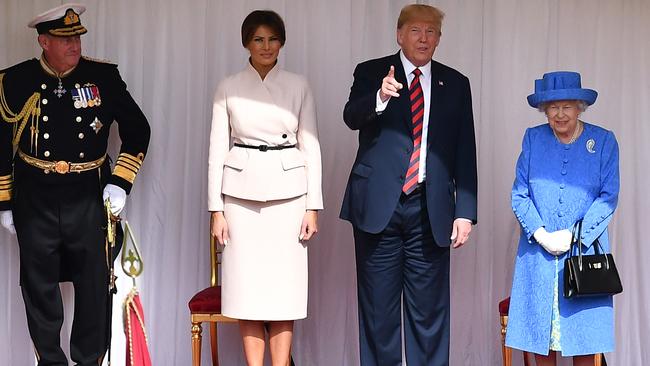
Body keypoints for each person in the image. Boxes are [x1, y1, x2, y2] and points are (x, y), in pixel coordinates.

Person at [0, 4, 151, 365]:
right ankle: (51, 361)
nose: (74, 46)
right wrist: (5, 202)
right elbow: (1, 142)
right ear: (44, 41)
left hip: (88, 197)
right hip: (35, 198)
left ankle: (89, 361)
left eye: (77, 38)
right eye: (65, 39)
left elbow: (138, 130)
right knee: (39, 288)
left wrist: (120, 182)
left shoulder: (103, 78)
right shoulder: (15, 80)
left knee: (94, 287)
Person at [340, 4, 477, 365]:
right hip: (377, 209)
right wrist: (380, 97)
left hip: (429, 210)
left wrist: (464, 212)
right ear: (399, 35)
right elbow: (351, 117)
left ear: (440, 39)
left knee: (429, 316)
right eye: (415, 31)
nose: (423, 38)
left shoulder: (456, 83)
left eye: (431, 32)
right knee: (377, 314)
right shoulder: (371, 72)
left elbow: (465, 150)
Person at [208, 10, 322, 366]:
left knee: (284, 291)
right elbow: (216, 150)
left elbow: (311, 145)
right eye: (258, 39)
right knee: (247, 290)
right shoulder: (228, 86)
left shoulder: (298, 84)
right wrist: (216, 208)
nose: (266, 46)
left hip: (290, 198)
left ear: (282, 43)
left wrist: (312, 206)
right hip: (240, 199)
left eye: (273, 39)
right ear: (246, 43)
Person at [506, 71, 619, 366]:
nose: (559, 115)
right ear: (545, 110)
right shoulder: (533, 138)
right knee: (543, 344)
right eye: (552, 108)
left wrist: (574, 235)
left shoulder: (603, 141)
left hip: (583, 256)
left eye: (567, 106)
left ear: (579, 107)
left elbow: (608, 197)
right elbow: (519, 194)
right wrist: (541, 234)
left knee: (583, 342)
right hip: (539, 259)